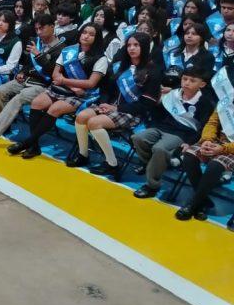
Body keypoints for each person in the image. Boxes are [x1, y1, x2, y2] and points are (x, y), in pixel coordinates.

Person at [68, 32, 162, 178]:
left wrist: (117, 108)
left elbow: (146, 104)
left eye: (136, 45)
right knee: (81, 116)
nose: (131, 48)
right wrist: (104, 103)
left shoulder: (153, 71)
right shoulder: (120, 65)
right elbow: (106, 88)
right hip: (110, 106)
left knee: (94, 123)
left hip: (132, 112)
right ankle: (83, 155)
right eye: (129, 45)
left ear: (144, 47)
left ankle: (112, 164)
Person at [8, 24, 108, 159]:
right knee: (37, 103)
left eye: (91, 34)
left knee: (54, 109)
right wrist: (70, 85)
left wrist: (65, 82)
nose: (86, 36)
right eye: (84, 32)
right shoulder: (69, 50)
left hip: (83, 95)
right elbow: (55, 74)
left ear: (97, 38)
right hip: (64, 88)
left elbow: (91, 83)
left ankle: (26, 143)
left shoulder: (101, 58)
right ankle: (34, 146)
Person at [0, 13, 68, 149]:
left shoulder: (62, 49)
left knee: (19, 98)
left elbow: (53, 73)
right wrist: (22, 72)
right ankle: (4, 124)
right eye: (36, 29)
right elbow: (27, 62)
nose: (39, 32)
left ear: (52, 26)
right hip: (25, 79)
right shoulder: (35, 41)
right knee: (1, 91)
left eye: (42, 28)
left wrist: (38, 55)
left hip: (43, 85)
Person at [131, 67, 215, 199]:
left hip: (182, 134)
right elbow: (159, 114)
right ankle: (152, 165)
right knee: (137, 138)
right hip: (161, 127)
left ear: (202, 84)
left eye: (192, 80)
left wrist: (190, 142)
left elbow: (204, 128)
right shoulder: (174, 94)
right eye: (184, 79)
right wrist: (158, 103)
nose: (187, 83)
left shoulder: (205, 103)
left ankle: (152, 186)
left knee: (160, 149)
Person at [175, 65, 234, 224]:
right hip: (216, 141)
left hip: (231, 148)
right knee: (189, 156)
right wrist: (207, 140)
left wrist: (223, 148)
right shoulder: (227, 99)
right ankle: (202, 200)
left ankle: (193, 205)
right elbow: (212, 123)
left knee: (215, 165)